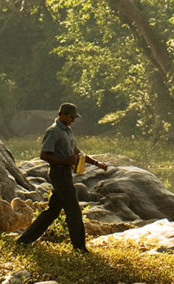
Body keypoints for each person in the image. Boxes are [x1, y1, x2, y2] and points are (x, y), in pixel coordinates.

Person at [17, 103, 108, 252]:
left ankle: (24, 241)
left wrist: (97, 163)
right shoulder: (53, 131)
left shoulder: (68, 131)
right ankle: (79, 248)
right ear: (63, 114)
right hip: (58, 173)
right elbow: (44, 155)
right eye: (71, 117)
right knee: (73, 210)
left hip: (66, 173)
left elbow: (77, 152)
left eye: (74, 118)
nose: (73, 120)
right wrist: (65, 161)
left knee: (52, 211)